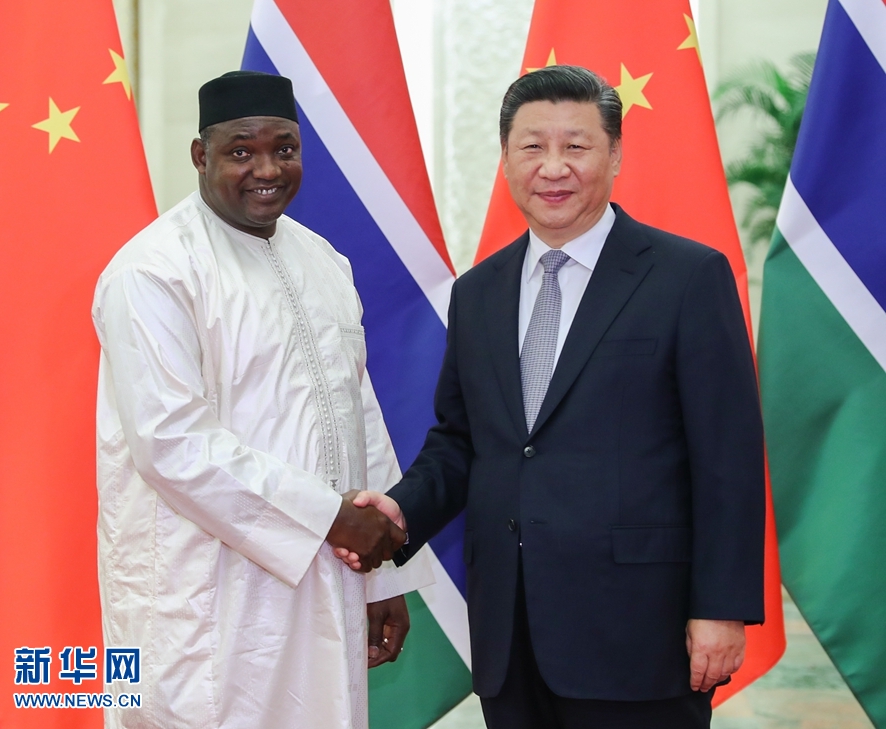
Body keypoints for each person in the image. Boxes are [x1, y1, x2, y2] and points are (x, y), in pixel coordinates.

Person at [339, 65, 765, 728]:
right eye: (533, 146)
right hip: (510, 635)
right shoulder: (478, 292)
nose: (553, 167)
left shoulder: (687, 277)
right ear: (507, 158)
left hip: (639, 634)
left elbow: (727, 458)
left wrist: (721, 607)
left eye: (576, 146)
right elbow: (462, 441)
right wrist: (400, 510)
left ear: (615, 155)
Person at [92, 70, 431, 729]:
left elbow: (357, 416)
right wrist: (328, 518)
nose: (267, 169)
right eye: (241, 151)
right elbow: (172, 444)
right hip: (207, 596)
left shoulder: (323, 260)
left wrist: (380, 578)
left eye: (285, 148)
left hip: (327, 578)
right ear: (201, 155)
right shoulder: (153, 271)